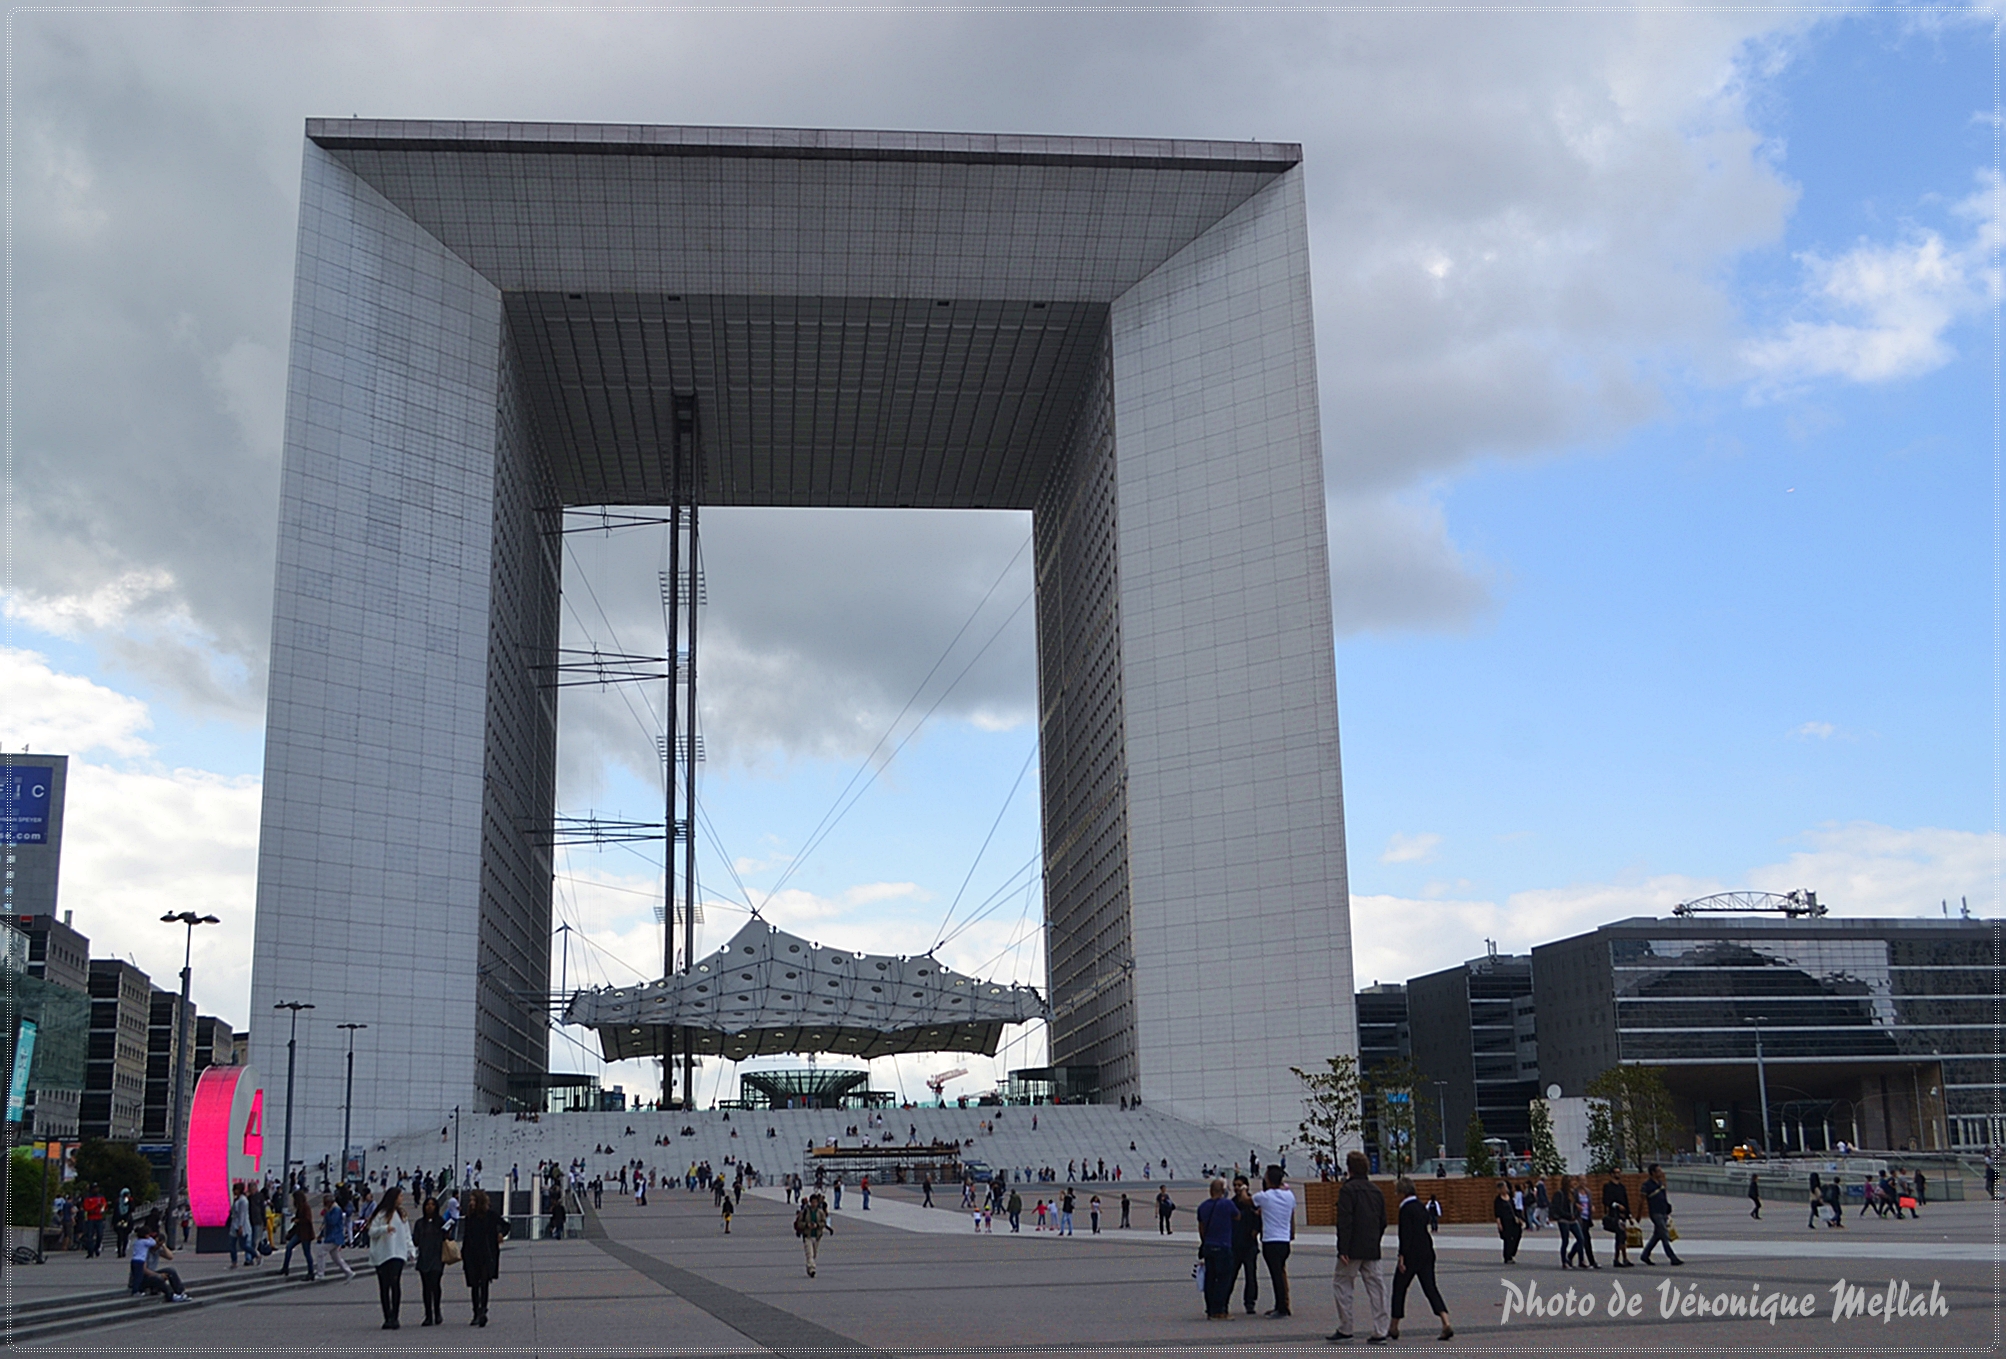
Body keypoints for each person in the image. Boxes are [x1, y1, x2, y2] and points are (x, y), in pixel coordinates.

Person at [1330, 1150, 1388, 1343]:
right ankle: (1380, 1330)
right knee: (1377, 1288)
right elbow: (1383, 1221)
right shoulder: (1376, 1190)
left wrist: (1343, 1249)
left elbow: (1345, 1220)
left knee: (1343, 1284)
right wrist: (1375, 1239)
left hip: (1352, 1248)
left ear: (1349, 1169)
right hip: (1372, 1248)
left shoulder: (1347, 1190)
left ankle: (1346, 1327)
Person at [1388, 1175, 1452, 1342]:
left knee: (1399, 1288)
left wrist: (1401, 1256)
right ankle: (1445, 1321)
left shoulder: (1405, 1209)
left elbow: (1405, 1235)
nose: (1396, 1195)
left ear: (1403, 1192)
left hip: (1411, 1254)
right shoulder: (1421, 1207)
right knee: (1430, 1288)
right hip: (1427, 1251)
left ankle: (1394, 1326)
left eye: (1397, 1192)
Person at [366, 1185, 415, 1330]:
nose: (402, 1199)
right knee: (384, 1286)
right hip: (383, 1254)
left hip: (397, 1253)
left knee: (395, 1283)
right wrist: (384, 1229)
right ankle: (387, 1316)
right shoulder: (380, 1214)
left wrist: (411, 1250)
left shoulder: (401, 1215)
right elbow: (371, 1232)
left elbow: (406, 1235)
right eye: (400, 1196)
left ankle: (395, 1316)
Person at [1251, 1164, 1296, 1318]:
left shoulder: (1264, 1197)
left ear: (1268, 1179)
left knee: (1276, 1275)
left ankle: (1281, 1308)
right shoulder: (1289, 1195)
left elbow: (1248, 1201)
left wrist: (1243, 1189)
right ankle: (1282, 1304)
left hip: (1271, 1240)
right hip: (1284, 1240)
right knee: (1280, 1273)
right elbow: (1291, 1215)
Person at [460, 1188, 508, 1327]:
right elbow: (467, 1235)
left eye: (473, 1200)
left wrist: (500, 1233)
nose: (471, 1203)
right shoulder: (470, 1217)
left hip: (487, 1253)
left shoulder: (490, 1215)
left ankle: (482, 1311)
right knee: (474, 1284)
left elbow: (505, 1225)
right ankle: (476, 1311)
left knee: (484, 1283)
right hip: (471, 1253)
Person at [1196, 1178, 1240, 1320]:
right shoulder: (1227, 1204)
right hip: (1224, 1246)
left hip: (1209, 1246)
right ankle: (1220, 1310)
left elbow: (1201, 1228)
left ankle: (1210, 1310)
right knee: (1223, 1279)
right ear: (1223, 1191)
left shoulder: (1202, 1206)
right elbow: (1238, 1216)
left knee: (1210, 1279)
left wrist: (1205, 1241)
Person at [127, 1221, 190, 1303]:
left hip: (150, 1274)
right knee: (158, 1278)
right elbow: (144, 1270)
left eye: (159, 1245)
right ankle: (170, 1295)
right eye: (156, 1244)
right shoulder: (145, 1251)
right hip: (142, 1278)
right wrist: (159, 1275)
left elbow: (170, 1257)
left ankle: (180, 1292)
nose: (157, 1247)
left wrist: (163, 1245)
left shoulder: (157, 1250)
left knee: (170, 1271)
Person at [412, 1197, 449, 1326]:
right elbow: (415, 1239)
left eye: (433, 1204)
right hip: (424, 1257)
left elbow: (447, 1237)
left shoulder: (440, 1222)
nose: (430, 1207)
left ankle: (437, 1311)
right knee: (426, 1287)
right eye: (428, 1204)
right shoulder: (419, 1223)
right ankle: (428, 1314)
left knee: (435, 1284)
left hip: (437, 1256)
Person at [1229, 1176, 1262, 1315]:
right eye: (1235, 1185)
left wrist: (1256, 1230)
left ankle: (1250, 1302)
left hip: (1249, 1244)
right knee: (1230, 1275)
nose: (1236, 1187)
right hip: (1235, 1244)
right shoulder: (1231, 1203)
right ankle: (1224, 1301)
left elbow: (1260, 1218)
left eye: (1239, 1185)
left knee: (1251, 1275)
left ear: (1246, 1186)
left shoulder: (1253, 1202)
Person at [1638, 1165, 1681, 1266]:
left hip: (1663, 1212)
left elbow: (1663, 1197)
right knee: (1664, 1234)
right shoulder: (1647, 1185)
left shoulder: (1660, 1183)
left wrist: (1667, 1207)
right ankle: (1672, 1257)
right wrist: (1638, 1214)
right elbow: (1641, 1200)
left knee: (1657, 1236)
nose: (1661, 1172)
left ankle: (1645, 1255)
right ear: (1652, 1173)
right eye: (1658, 1171)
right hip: (1655, 1213)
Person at [280, 1189, 318, 1279]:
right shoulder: (300, 1207)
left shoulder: (305, 1207)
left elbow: (308, 1219)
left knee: (307, 1252)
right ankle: (285, 1268)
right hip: (300, 1232)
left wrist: (298, 1220)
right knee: (289, 1247)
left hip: (305, 1233)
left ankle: (311, 1272)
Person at [1601, 1173, 1633, 1267]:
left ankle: (1621, 1258)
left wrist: (1629, 1216)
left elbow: (1626, 1201)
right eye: (1615, 1172)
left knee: (1622, 1237)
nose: (1618, 1174)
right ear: (1611, 1174)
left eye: (1619, 1172)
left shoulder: (1622, 1187)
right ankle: (1619, 1258)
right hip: (1614, 1215)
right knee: (1620, 1236)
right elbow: (1606, 1200)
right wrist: (1616, 1205)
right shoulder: (1608, 1186)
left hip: (1622, 1215)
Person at [796, 1191, 830, 1278]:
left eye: (816, 1202)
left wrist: (817, 1225)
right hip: (807, 1235)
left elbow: (824, 1223)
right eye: (813, 1202)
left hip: (817, 1236)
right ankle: (812, 1269)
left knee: (814, 1254)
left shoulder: (820, 1212)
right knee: (809, 1253)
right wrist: (807, 1225)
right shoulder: (805, 1212)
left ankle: (809, 1267)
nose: (814, 1204)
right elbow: (799, 1223)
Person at [1551, 1175, 1579, 1267]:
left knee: (1581, 1239)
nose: (1573, 1183)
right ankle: (1564, 1261)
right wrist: (1568, 1215)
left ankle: (1570, 1256)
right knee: (1565, 1240)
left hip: (1572, 1219)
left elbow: (1575, 1205)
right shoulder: (1560, 1194)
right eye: (1571, 1181)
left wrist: (1575, 1214)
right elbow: (1558, 1208)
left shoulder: (1573, 1193)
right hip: (1564, 1220)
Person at [1493, 1181, 1522, 1264]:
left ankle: (1512, 1252)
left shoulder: (1510, 1197)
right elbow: (1497, 1213)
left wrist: (1519, 1218)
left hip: (1513, 1220)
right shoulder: (1498, 1200)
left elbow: (1514, 1209)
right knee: (1508, 1239)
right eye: (1504, 1187)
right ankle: (1507, 1256)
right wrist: (1499, 1224)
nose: (1506, 1189)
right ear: (1500, 1189)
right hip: (1505, 1221)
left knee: (1517, 1235)